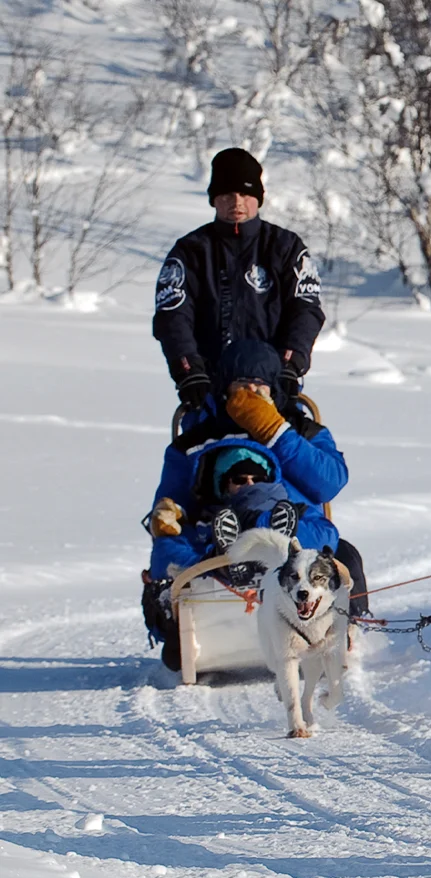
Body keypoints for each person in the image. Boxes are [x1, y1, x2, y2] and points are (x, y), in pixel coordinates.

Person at [141, 341, 368, 670]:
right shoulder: (196, 441)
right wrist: (168, 516)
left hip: (299, 530)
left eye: (259, 387)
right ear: (224, 389)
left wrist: (274, 430)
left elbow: (329, 481)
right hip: (217, 533)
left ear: (273, 389)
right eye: (242, 387)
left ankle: (344, 626)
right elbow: (173, 504)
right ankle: (195, 605)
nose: (250, 393)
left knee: (344, 555)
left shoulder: (302, 430)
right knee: (170, 554)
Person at [155, 147, 326, 410]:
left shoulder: (286, 247)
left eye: (245, 193)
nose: (236, 202)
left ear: (258, 198)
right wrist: (187, 369)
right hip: (208, 390)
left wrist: (290, 365)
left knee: (306, 449)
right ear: (214, 199)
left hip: (275, 387)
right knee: (192, 451)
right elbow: (173, 315)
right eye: (227, 194)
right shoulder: (190, 252)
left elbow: (305, 309)